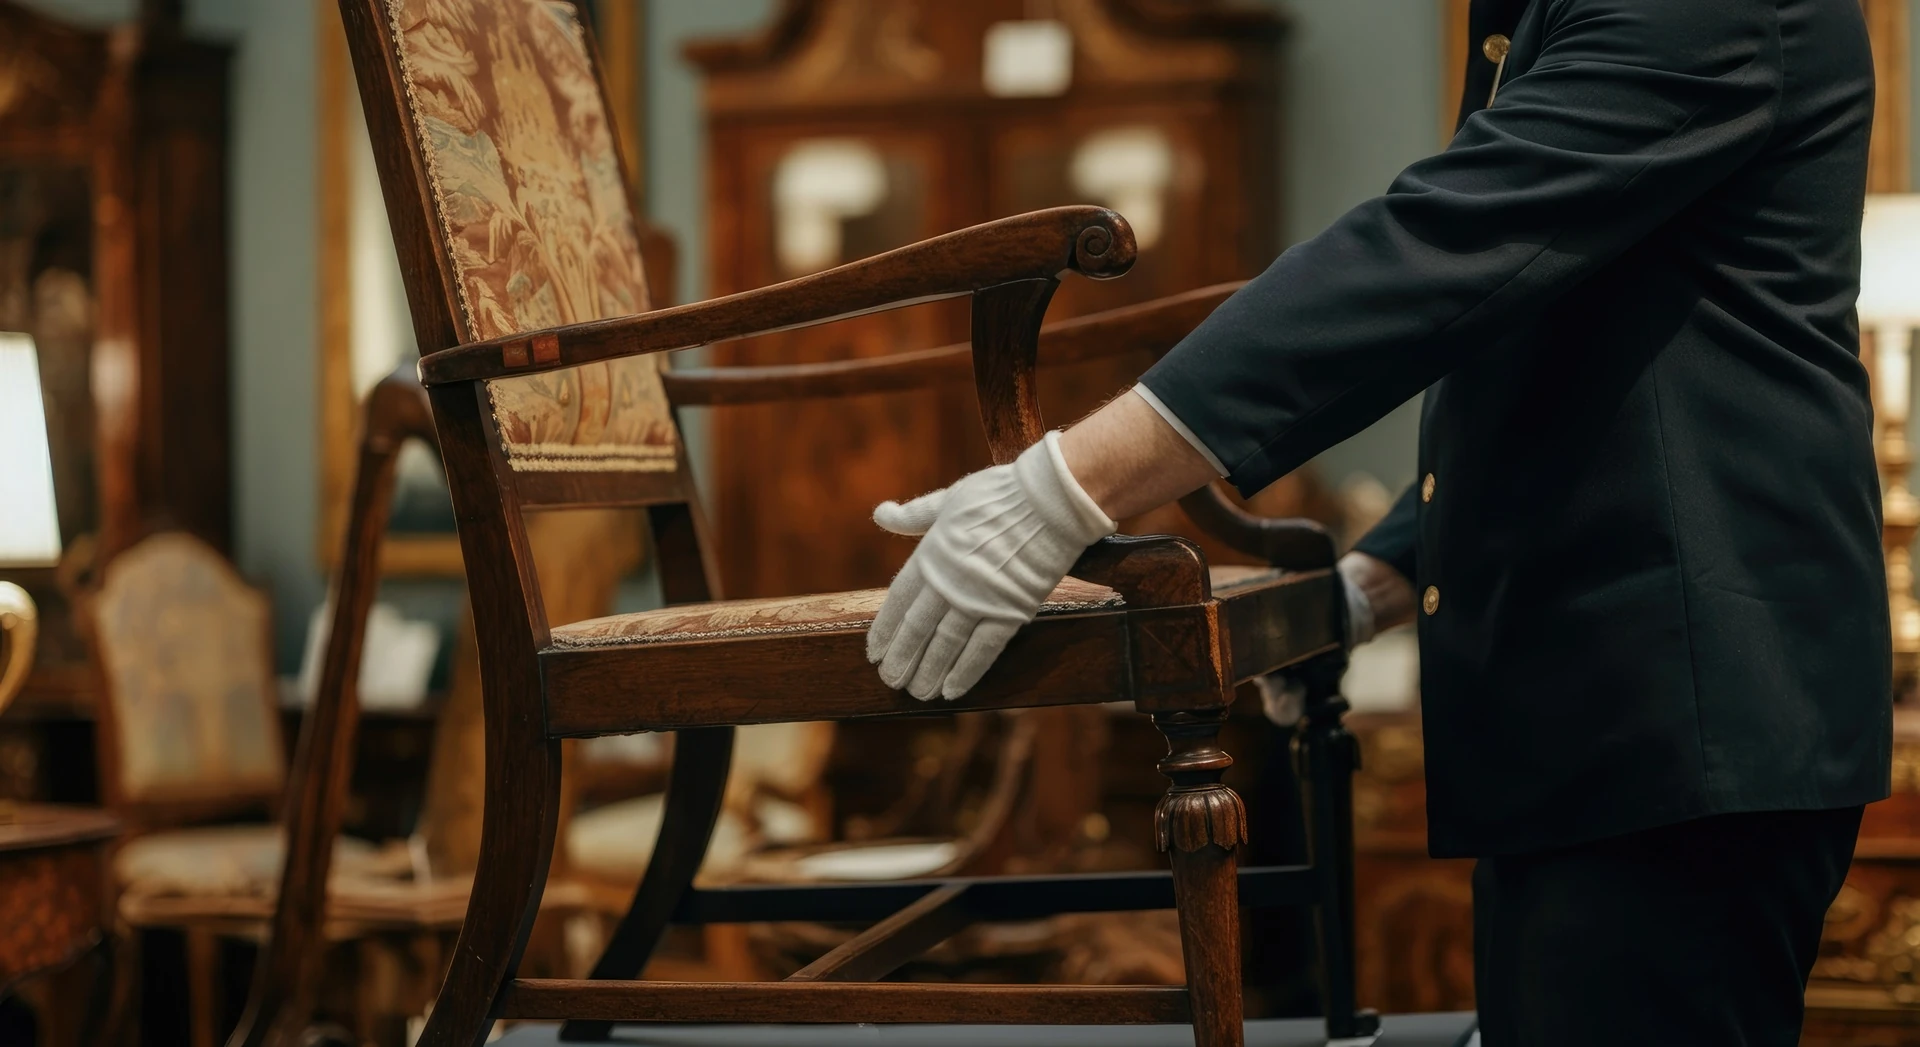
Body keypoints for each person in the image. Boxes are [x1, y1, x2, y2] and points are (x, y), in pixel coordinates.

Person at [864, 0, 1893, 1043]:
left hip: (1681, 720)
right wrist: (1374, 582)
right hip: (1623, 715)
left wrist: (1064, 486)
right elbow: (1557, 338)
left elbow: (1442, 247)